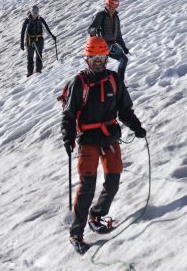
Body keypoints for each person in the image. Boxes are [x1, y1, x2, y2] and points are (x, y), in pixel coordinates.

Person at [61, 35, 147, 252]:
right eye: (93, 56)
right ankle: (76, 233)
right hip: (88, 140)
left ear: (106, 56)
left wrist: (136, 126)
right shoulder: (79, 83)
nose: (98, 60)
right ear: (86, 58)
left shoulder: (114, 80)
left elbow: (125, 109)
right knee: (87, 187)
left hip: (109, 138)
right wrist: (68, 137)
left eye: (101, 56)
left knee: (113, 180)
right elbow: (69, 115)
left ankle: (96, 215)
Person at [88, 0, 130, 82]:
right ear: (106, 4)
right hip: (102, 45)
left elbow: (118, 35)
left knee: (124, 59)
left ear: (116, 7)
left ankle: (119, 82)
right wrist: (94, 35)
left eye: (113, 7)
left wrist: (124, 47)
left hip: (111, 45)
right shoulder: (101, 15)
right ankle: (100, 84)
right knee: (101, 66)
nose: (111, 8)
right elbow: (91, 29)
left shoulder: (116, 18)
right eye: (109, 6)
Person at [20, 5, 56, 76]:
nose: (35, 15)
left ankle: (38, 70)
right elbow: (23, 31)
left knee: (39, 55)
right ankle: (30, 72)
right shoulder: (27, 20)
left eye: (36, 13)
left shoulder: (40, 19)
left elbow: (46, 29)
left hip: (39, 40)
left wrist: (52, 36)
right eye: (34, 13)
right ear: (31, 12)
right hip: (30, 40)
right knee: (30, 57)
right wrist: (21, 42)